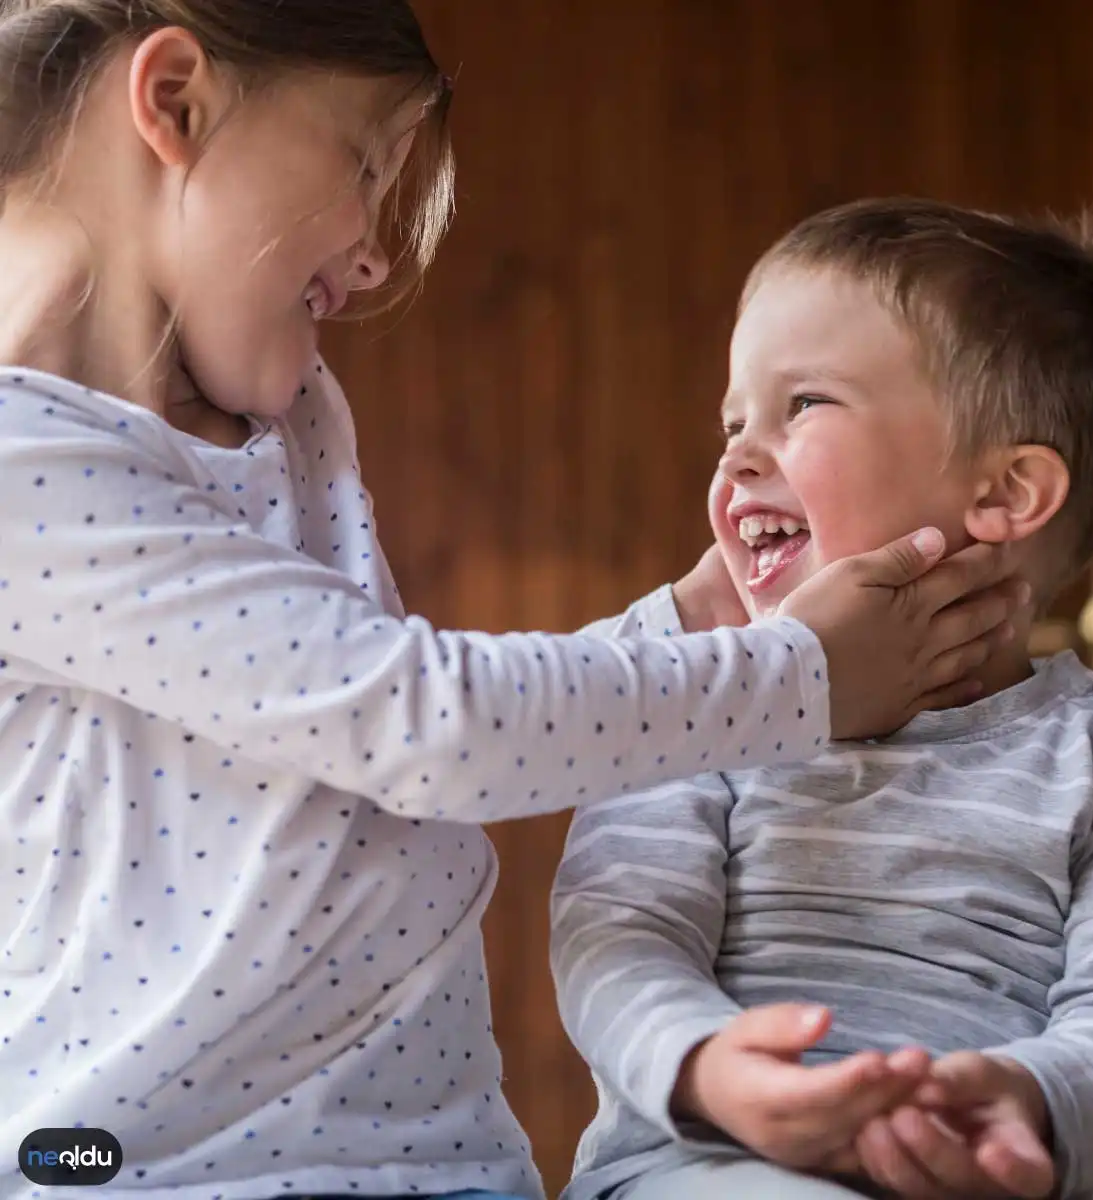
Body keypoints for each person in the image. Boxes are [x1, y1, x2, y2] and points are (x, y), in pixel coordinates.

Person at [0, 6, 1023, 1199]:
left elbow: (363, 747)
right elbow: (427, 725)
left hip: (436, 1159)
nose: (377, 253)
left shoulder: (290, 420)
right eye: (367, 164)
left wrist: (692, 619)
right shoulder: (21, 464)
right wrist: (804, 676)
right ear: (174, 102)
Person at [550, 198, 1093, 1200]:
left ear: (1007, 494)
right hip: (712, 1163)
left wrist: (1027, 1099)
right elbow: (619, 936)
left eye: (802, 405)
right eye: (733, 420)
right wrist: (708, 1069)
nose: (736, 455)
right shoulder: (699, 684)